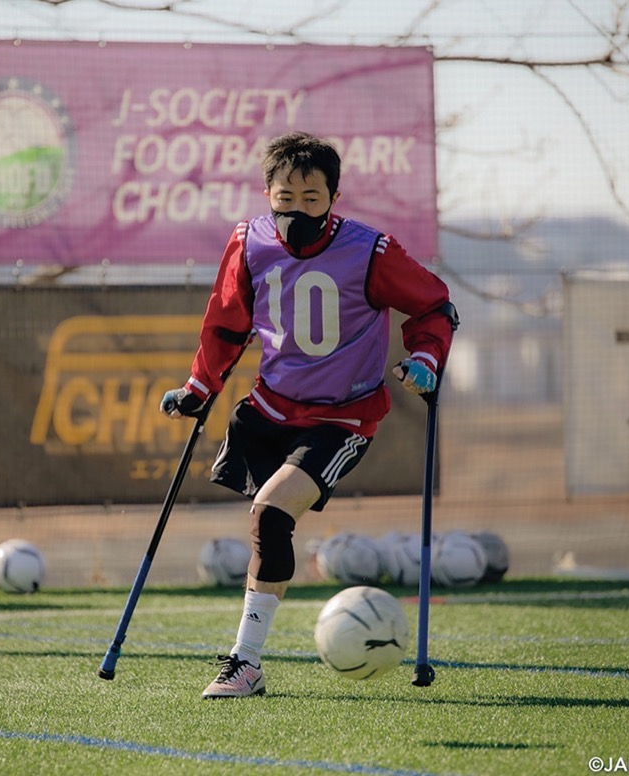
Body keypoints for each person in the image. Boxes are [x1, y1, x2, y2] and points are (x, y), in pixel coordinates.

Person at [160, 130, 457, 699]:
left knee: (270, 515)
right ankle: (250, 656)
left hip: (342, 418)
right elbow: (226, 322)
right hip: (269, 410)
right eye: (286, 199)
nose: (298, 210)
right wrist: (199, 387)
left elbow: (434, 303)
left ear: (333, 199)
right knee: (268, 525)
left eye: (312, 200)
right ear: (267, 193)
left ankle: (244, 663)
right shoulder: (248, 241)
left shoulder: (370, 250)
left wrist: (424, 357)